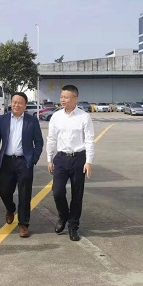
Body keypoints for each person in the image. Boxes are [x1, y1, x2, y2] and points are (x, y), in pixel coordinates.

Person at [0, 92, 44, 238]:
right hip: (7, 161)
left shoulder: (32, 121)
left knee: (25, 194)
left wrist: (33, 159)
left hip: (24, 161)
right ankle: (10, 208)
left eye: (20, 103)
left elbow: (39, 142)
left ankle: (24, 224)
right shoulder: (3, 119)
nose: (16, 105)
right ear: (10, 103)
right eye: (14, 102)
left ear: (25, 105)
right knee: (4, 192)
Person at [46, 85, 95, 242]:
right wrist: (49, 158)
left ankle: (73, 226)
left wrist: (89, 161)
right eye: (62, 97)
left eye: (66, 97)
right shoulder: (56, 116)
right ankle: (63, 216)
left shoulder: (84, 117)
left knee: (77, 194)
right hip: (61, 158)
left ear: (75, 98)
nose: (63, 100)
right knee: (57, 192)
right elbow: (51, 138)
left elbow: (89, 140)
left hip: (78, 159)